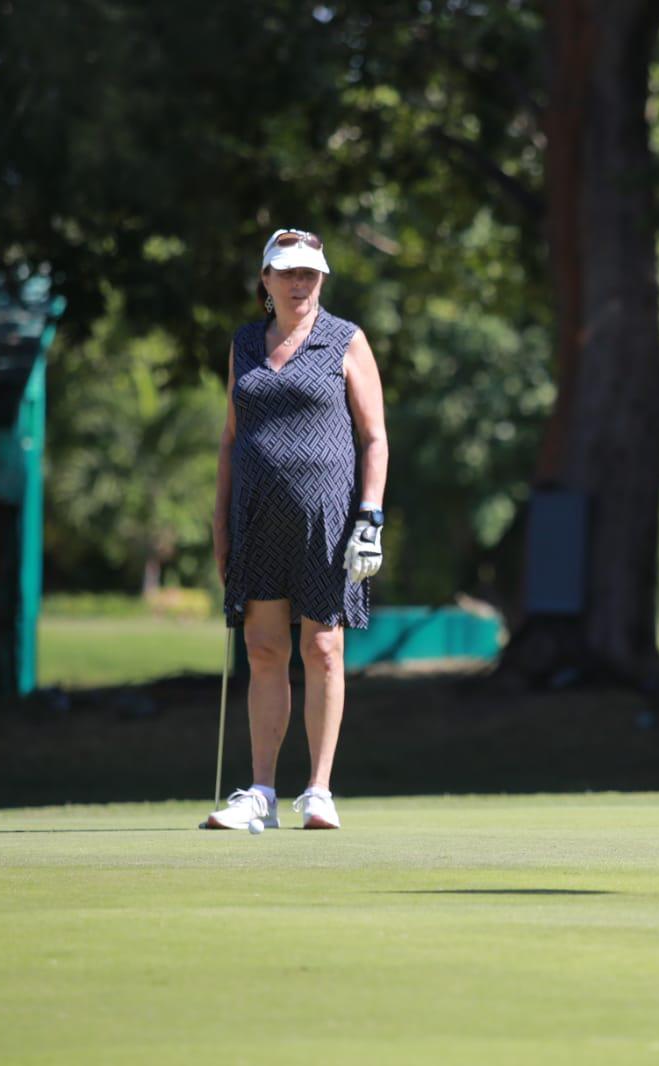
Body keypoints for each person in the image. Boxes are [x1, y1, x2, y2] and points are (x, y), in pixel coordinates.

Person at [206, 228, 388, 830]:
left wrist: (371, 515)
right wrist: (220, 521)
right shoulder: (244, 343)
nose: (298, 282)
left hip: (329, 519)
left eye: (309, 273)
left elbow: (373, 437)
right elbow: (232, 439)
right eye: (286, 272)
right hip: (257, 517)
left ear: (322, 279)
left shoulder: (345, 340)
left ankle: (318, 790)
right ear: (266, 280)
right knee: (263, 650)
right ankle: (260, 793)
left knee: (323, 647)